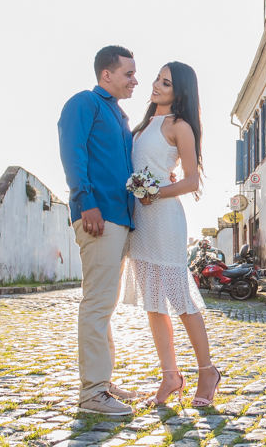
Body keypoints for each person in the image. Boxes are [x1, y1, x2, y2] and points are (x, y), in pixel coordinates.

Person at [120, 62, 223, 407]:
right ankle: (170, 376)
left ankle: (207, 371)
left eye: (166, 83)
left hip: (164, 218)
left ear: (180, 92)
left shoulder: (180, 126)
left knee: (179, 298)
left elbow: (192, 180)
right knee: (153, 302)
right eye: (157, 79)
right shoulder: (143, 124)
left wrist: (153, 193)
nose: (156, 86)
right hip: (141, 221)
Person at [57, 46, 143, 417]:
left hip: (118, 218)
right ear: (106, 75)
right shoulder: (84, 104)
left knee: (105, 304)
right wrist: (84, 199)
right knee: (97, 304)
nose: (135, 80)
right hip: (98, 215)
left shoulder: (119, 115)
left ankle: (102, 383)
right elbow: (72, 151)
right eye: (128, 74)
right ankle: (92, 392)